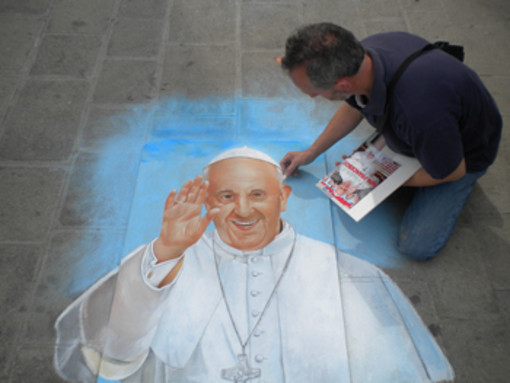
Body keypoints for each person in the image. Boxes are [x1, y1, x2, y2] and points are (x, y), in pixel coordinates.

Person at [54, 147, 454, 383]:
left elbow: (391, 372)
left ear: (283, 197)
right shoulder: (164, 259)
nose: (242, 210)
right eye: (225, 196)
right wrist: (164, 252)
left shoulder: (346, 273)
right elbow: (107, 360)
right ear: (206, 202)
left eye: (258, 194)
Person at [279, 23, 502, 260]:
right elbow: (353, 105)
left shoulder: (419, 114)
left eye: (313, 92)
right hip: (422, 128)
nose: (312, 97)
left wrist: (380, 180)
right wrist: (311, 152)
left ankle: (457, 187)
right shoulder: (364, 57)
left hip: (461, 156)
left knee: (415, 246)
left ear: (342, 85)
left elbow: (453, 171)